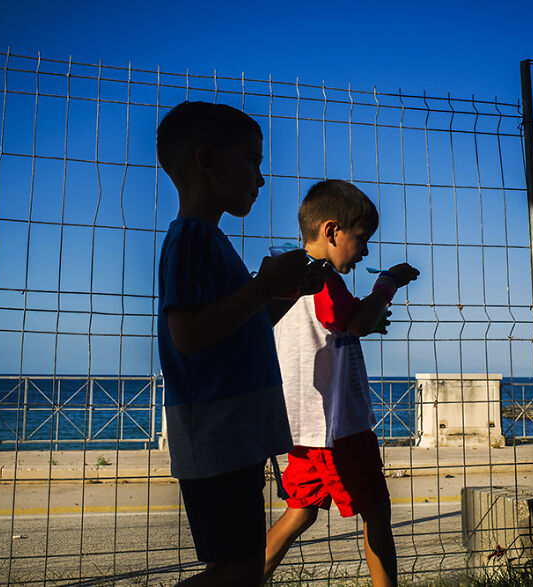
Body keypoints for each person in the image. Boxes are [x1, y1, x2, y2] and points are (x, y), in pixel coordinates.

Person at [156, 101, 328, 586]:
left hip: (232, 435)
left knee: (244, 567)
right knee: (237, 570)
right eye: (252, 160)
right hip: (217, 435)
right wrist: (261, 287)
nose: (261, 178)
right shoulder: (192, 239)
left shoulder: (210, 240)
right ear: (206, 159)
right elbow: (188, 334)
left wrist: (286, 292)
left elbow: (243, 327)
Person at [263, 179, 420, 587]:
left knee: (301, 511)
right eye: (362, 239)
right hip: (338, 427)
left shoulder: (285, 272)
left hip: (302, 426)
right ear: (331, 231)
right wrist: (387, 283)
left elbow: (336, 324)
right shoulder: (323, 279)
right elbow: (358, 322)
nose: (365, 250)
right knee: (377, 511)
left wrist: (361, 317)